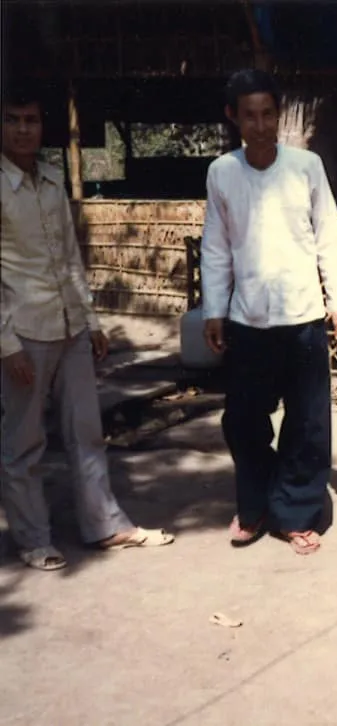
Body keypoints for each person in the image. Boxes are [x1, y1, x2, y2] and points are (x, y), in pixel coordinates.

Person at [1, 83, 174, 571]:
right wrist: (5, 344)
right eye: (12, 119)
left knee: (86, 431)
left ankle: (106, 525)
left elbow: (71, 259)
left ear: (42, 126)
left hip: (71, 327)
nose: (21, 129)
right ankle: (34, 538)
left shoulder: (53, 180)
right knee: (23, 442)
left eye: (30, 120)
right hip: (23, 332)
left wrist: (91, 319)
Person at [201, 69, 337, 555]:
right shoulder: (222, 172)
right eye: (248, 115)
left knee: (308, 421)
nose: (259, 124)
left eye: (267, 113)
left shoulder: (305, 166)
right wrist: (214, 309)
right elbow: (216, 247)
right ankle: (253, 506)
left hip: (303, 316)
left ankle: (295, 511)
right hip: (248, 319)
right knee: (244, 421)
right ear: (233, 118)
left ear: (279, 114)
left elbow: (328, 235)